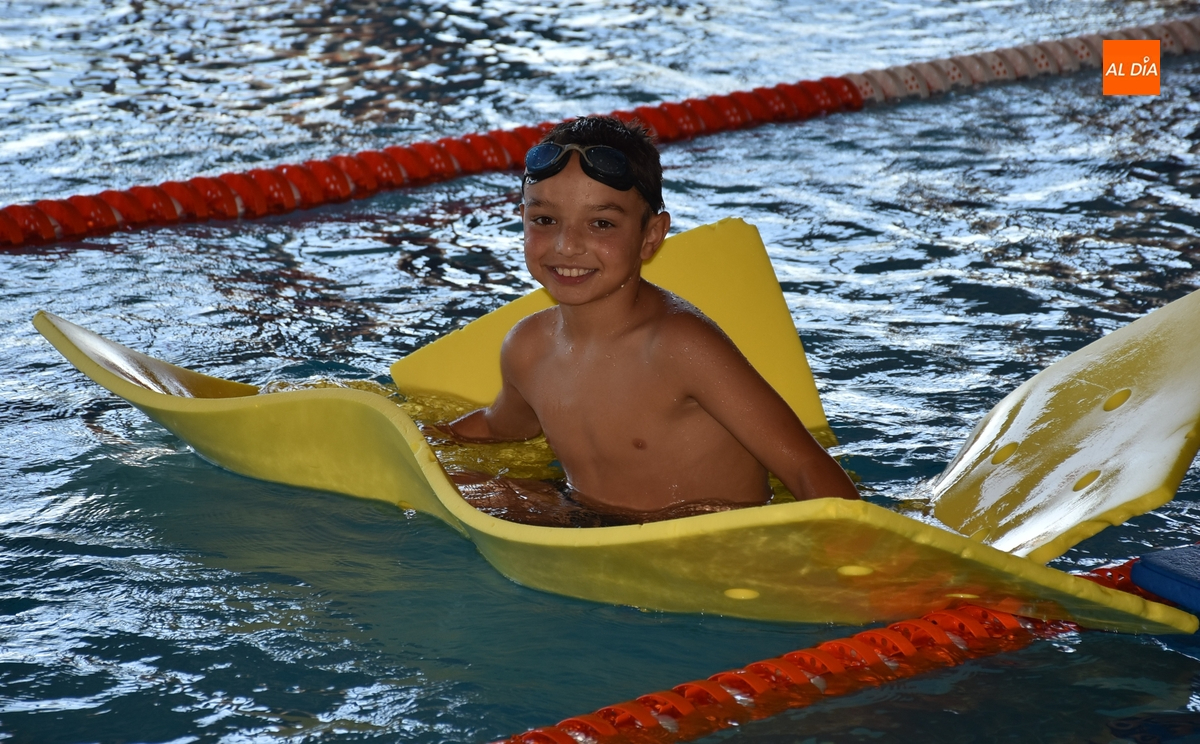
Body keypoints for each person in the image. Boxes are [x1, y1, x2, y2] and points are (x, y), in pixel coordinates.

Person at [442, 115, 859, 525]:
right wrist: (426, 438)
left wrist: (858, 559)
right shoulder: (527, 346)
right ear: (522, 219)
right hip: (586, 519)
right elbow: (500, 427)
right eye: (545, 220)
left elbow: (806, 467)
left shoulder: (680, 346)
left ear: (651, 236)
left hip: (706, 540)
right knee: (454, 488)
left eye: (601, 223)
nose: (567, 246)